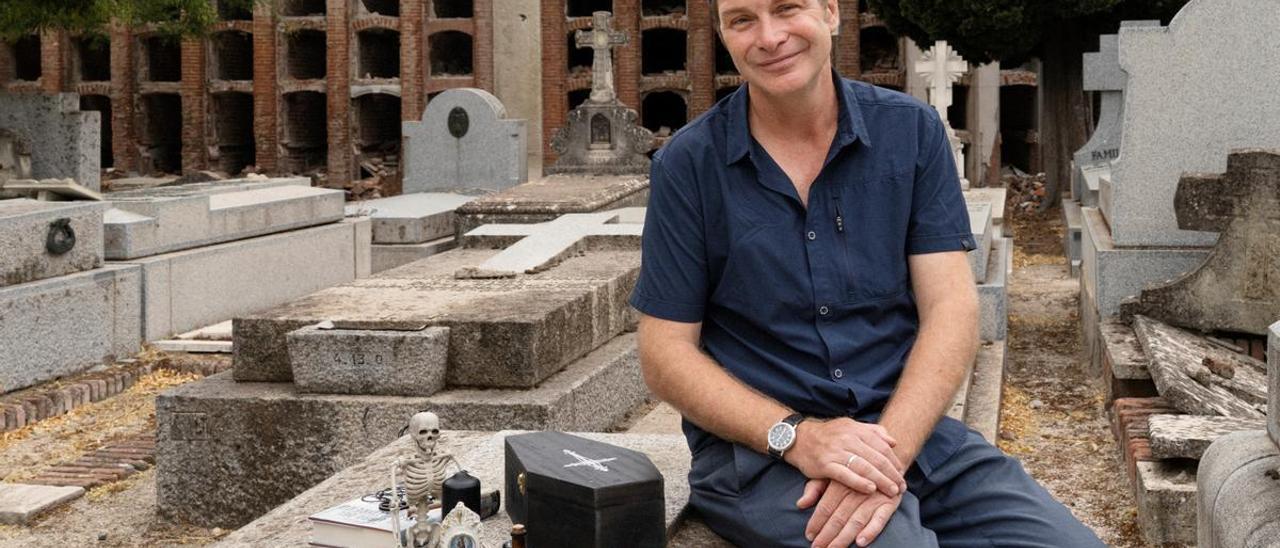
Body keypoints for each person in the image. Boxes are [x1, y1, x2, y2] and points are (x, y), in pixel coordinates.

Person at [628, 0, 1106, 546]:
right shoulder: (689, 165)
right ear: (723, 33)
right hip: (764, 454)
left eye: (787, 9)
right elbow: (665, 355)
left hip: (907, 432)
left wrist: (882, 456)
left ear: (830, 12)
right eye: (742, 20)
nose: (769, 36)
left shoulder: (911, 132)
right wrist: (799, 438)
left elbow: (951, 309)